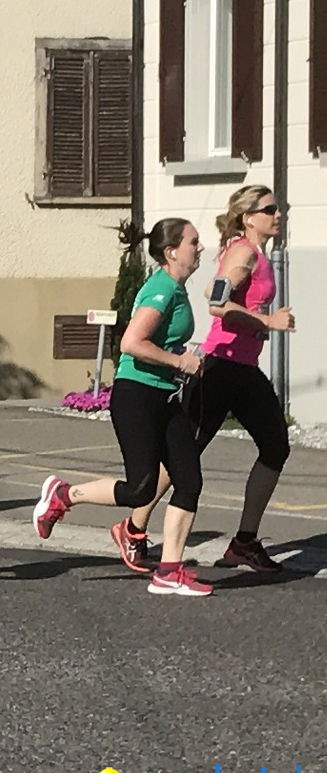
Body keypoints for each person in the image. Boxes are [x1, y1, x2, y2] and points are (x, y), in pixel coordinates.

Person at [111, 186, 295, 574]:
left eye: (279, 208)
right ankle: (134, 527)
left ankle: (245, 541)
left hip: (242, 369)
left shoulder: (256, 253)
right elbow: (217, 304)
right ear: (249, 217)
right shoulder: (243, 252)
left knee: (276, 445)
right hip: (218, 368)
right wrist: (268, 322)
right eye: (270, 209)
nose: (278, 214)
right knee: (183, 457)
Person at [34, 218, 212, 596]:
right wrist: (178, 361)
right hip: (138, 396)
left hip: (165, 396)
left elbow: (160, 341)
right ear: (172, 251)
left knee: (189, 480)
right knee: (139, 490)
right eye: (194, 242)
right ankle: (64, 495)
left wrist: (181, 354)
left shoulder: (176, 288)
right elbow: (131, 342)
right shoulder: (162, 288)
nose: (200, 247)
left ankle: (169, 571)